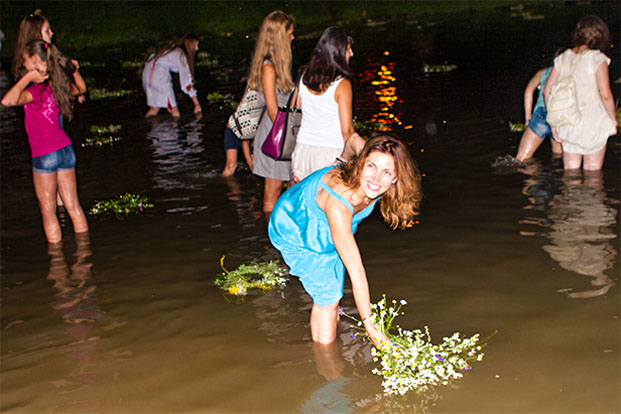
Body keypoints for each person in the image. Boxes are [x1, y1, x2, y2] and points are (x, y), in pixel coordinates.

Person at [268, 135, 422, 345]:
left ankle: (330, 322)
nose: (376, 179)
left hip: (331, 222)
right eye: (371, 166)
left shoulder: (368, 157)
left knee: (333, 289)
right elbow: (356, 270)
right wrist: (371, 327)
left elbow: (352, 139)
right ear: (361, 163)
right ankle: (327, 366)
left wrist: (340, 160)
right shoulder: (339, 205)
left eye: (387, 172)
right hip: (295, 225)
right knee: (328, 298)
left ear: (396, 178)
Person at [1, 40, 89, 243]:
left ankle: (57, 264)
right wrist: (74, 71)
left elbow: (7, 100)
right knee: (74, 207)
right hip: (66, 150)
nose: (23, 64)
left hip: (45, 154)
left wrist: (28, 78)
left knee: (48, 211)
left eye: (25, 60)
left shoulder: (34, 91)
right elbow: (81, 88)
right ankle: (85, 257)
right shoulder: (59, 86)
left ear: (34, 59)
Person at [543, 15, 616, 171]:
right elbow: (605, 94)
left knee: (570, 172)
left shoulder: (563, 58)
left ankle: (569, 196)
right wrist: (613, 120)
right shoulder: (598, 59)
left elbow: (547, 90)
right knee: (593, 173)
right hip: (593, 124)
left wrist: (554, 122)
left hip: (568, 122)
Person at [291, 26, 359, 181]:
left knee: (304, 202)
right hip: (330, 154)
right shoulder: (342, 85)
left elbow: (297, 109)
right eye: (348, 49)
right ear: (338, 52)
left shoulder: (304, 77)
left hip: (303, 150)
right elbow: (347, 130)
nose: (352, 53)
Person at [250, 11, 296, 213]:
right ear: (280, 36)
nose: (293, 37)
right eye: (290, 33)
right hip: (275, 135)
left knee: (291, 186)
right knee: (272, 193)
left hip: (283, 133)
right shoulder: (268, 68)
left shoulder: (279, 66)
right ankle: (270, 239)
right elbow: (272, 110)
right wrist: (290, 138)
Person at [142, 33, 202, 118]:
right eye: (196, 46)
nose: (197, 48)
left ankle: (145, 128)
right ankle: (174, 130)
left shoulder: (173, 49)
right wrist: (196, 104)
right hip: (158, 77)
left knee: (154, 109)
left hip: (147, 73)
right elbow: (187, 83)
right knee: (174, 110)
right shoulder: (182, 56)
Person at [514, 66, 562, 161]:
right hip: (560, 116)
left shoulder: (544, 72)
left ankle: (529, 174)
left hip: (543, 114)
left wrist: (528, 118)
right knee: (558, 157)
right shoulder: (573, 69)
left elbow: (529, 89)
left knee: (521, 159)